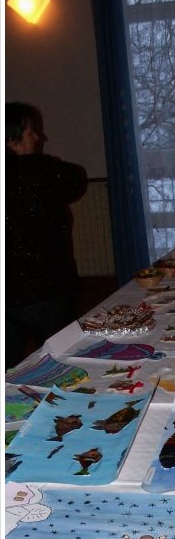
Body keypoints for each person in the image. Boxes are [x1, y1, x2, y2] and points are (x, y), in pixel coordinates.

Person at [5, 102, 88, 369]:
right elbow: (77, 179)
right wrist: (41, 163)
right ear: (13, 141)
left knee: (8, 367)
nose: (39, 137)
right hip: (46, 291)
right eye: (31, 132)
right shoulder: (39, 170)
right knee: (65, 362)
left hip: (9, 294)